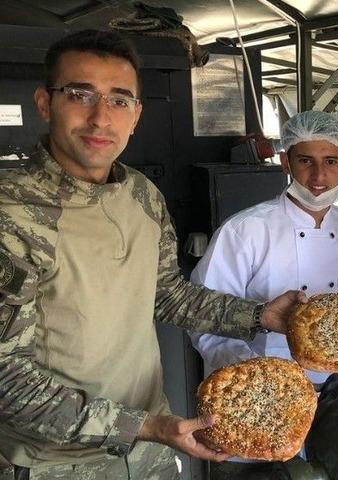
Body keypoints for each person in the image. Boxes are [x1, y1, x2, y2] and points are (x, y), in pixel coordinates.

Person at [0, 30, 306, 480]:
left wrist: (260, 316)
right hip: (55, 464)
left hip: (148, 454)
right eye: (81, 94)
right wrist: (144, 425)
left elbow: (164, 294)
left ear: (137, 114)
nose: (101, 118)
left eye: (119, 100)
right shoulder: (11, 213)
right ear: (45, 103)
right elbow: (7, 379)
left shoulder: (142, 195)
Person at [189, 110, 338, 478]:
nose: (318, 176)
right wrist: (256, 379)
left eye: (330, 161)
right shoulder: (246, 230)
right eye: (305, 161)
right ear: (285, 162)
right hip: (261, 410)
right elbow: (204, 319)